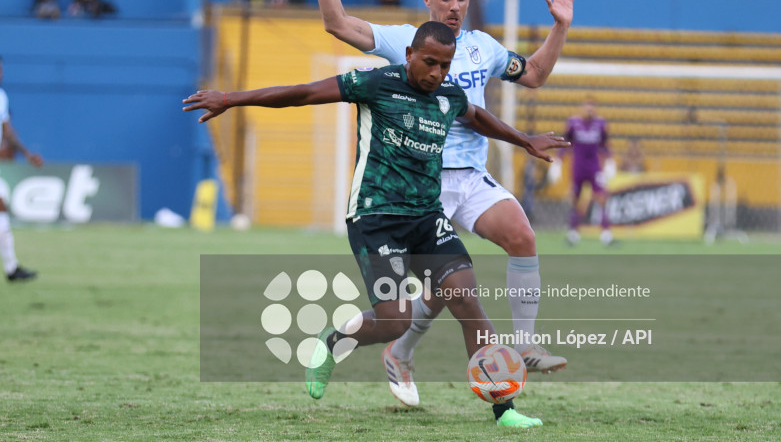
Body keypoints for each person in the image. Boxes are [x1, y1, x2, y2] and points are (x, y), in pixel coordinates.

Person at [183, 22, 569, 428]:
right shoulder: (376, 84)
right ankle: (333, 341)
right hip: (376, 217)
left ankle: (504, 410)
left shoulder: (447, 95)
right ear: (409, 56)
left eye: (445, 65)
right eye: (429, 62)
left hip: (426, 216)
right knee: (395, 320)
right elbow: (305, 93)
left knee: (466, 298)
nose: (437, 72)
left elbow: (477, 117)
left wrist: (525, 140)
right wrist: (231, 99)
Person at [311, 0, 576, 408]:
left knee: (518, 239)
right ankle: (396, 347)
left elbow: (535, 73)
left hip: (471, 178)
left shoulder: (482, 47)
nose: (455, 7)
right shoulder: (404, 41)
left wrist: (560, 26)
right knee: (446, 292)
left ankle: (518, 344)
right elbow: (338, 24)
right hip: (419, 186)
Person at [550, 97, 615, 246]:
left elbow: (605, 145)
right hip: (578, 167)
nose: (589, 110)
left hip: (594, 167)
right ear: (582, 108)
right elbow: (565, 143)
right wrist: (558, 162)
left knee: (601, 197)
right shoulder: (573, 123)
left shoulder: (600, 124)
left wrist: (610, 160)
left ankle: (606, 233)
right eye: (587, 107)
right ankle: (573, 232)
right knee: (575, 198)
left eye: (592, 107)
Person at [0, 56, 42, 282]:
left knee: (1, 210)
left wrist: (26, 153)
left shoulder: (1, 97)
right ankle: (11, 268)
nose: (0, 73)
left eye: (1, 68)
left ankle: (12, 268)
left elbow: (7, 131)